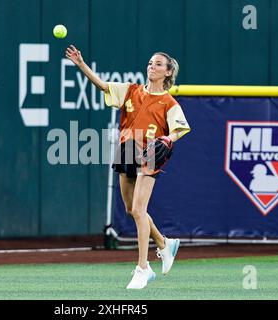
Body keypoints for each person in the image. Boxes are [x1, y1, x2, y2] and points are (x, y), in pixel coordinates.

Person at [66, 45, 191, 289]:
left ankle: (143, 268)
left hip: (150, 154)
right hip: (127, 150)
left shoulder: (169, 102)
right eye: (150, 62)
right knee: (130, 209)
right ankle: (165, 244)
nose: (151, 67)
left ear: (167, 72)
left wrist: (168, 139)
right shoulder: (132, 91)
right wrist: (81, 65)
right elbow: (103, 86)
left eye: (157, 64)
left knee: (139, 208)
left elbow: (179, 129)